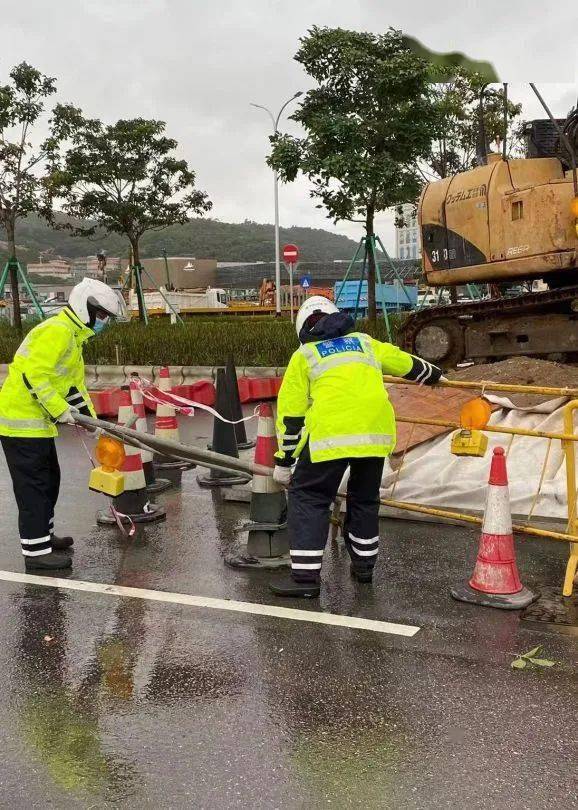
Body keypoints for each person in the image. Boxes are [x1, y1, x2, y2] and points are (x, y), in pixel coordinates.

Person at [270, 295, 442, 598]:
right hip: (374, 435)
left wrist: (284, 461)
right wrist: (435, 375)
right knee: (364, 499)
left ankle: (305, 580)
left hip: (330, 436)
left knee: (309, 497)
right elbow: (405, 363)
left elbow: (291, 415)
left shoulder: (306, 355)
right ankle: (364, 569)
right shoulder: (364, 342)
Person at [0, 278, 127, 571]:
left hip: (37, 424)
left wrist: (94, 423)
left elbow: (73, 389)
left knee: (50, 481)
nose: (104, 323)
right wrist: (61, 411)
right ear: (87, 309)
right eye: (103, 316)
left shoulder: (73, 338)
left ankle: (43, 536)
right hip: (20, 422)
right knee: (34, 488)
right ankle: (35, 552)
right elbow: (34, 375)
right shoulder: (57, 331)